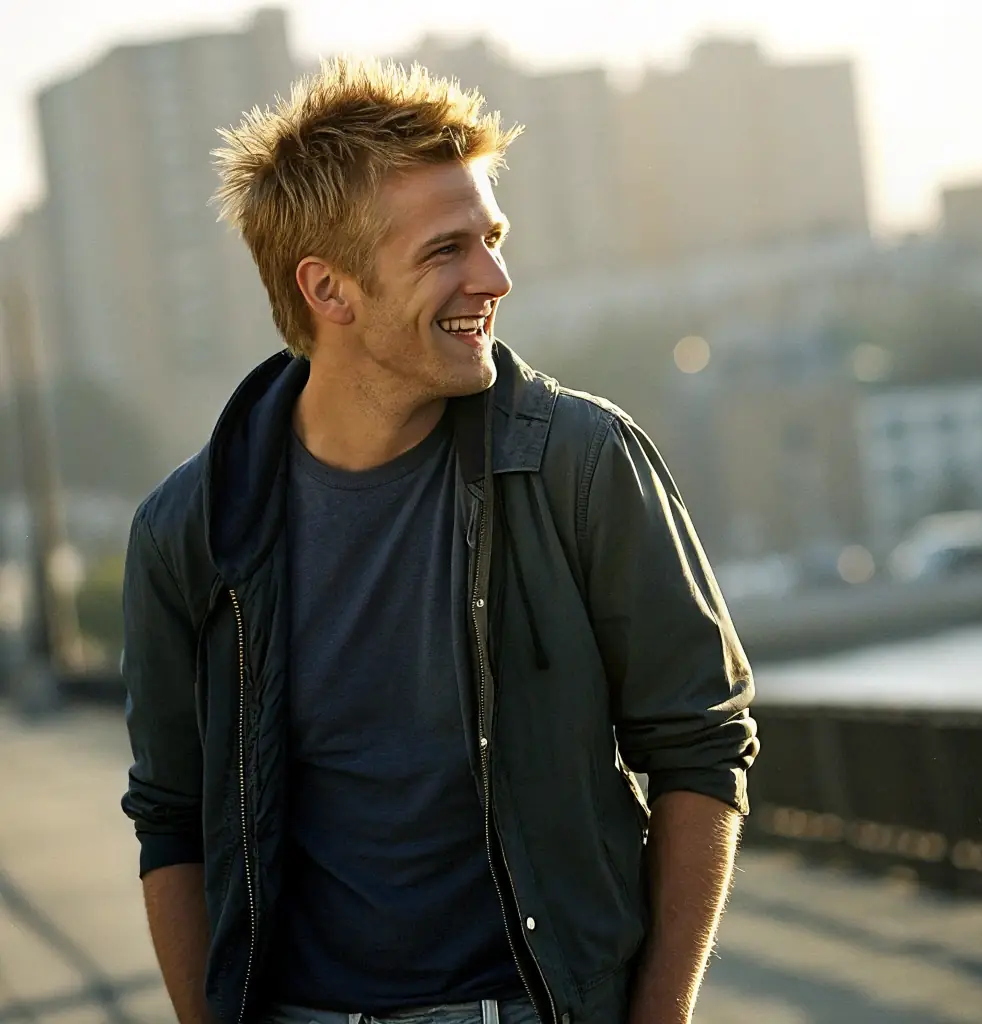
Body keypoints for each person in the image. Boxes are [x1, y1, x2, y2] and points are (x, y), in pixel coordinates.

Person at [120, 57, 758, 1024]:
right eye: (446, 251)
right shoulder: (189, 531)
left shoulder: (580, 465)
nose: (494, 279)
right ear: (330, 290)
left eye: (492, 239)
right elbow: (172, 821)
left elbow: (701, 748)